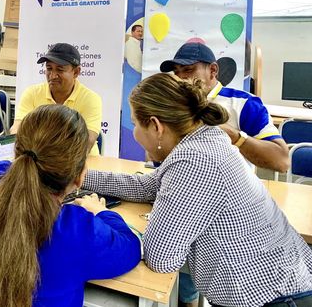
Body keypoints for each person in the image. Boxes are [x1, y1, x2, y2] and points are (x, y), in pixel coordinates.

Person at [83, 73, 312, 307]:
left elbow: (161, 257)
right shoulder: (204, 137)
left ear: (156, 126)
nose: (134, 132)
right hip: (282, 284)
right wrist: (79, 177)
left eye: (135, 124)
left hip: (275, 298)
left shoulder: (194, 160)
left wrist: (102, 214)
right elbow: (147, 186)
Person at [0, 104, 141, 307]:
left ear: (17, 153)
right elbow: (130, 248)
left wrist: (16, 170)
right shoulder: (78, 230)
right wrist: (102, 212)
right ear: (80, 176)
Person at [160, 42, 289, 173]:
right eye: (176, 72)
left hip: (228, 184)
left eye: (188, 70)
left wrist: (234, 136)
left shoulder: (244, 103)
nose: (180, 77)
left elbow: (281, 161)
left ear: (213, 70)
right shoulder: (172, 104)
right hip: (178, 180)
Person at [11, 43, 102, 154]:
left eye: (60, 70)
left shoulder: (91, 99)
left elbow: (87, 141)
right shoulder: (32, 93)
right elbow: (17, 130)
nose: (53, 75)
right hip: (39, 158)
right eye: (49, 68)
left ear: (76, 72)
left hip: (80, 160)